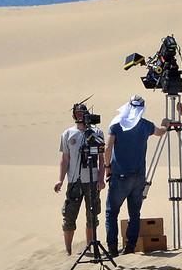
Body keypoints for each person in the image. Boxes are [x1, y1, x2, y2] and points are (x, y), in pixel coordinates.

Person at [104, 95, 168, 256]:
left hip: (120, 176)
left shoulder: (117, 124)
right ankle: (130, 246)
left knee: (111, 212)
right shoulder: (145, 125)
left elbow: (108, 148)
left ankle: (112, 248)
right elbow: (160, 132)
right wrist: (165, 125)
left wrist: (107, 167)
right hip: (138, 177)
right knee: (134, 213)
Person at [53, 103, 106, 256]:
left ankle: (91, 247)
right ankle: (68, 251)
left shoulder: (97, 132)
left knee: (92, 216)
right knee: (69, 216)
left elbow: (101, 159)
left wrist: (101, 179)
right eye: (77, 113)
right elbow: (65, 158)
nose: (80, 116)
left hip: (92, 180)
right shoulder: (68, 134)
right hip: (74, 181)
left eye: (82, 113)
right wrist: (60, 180)